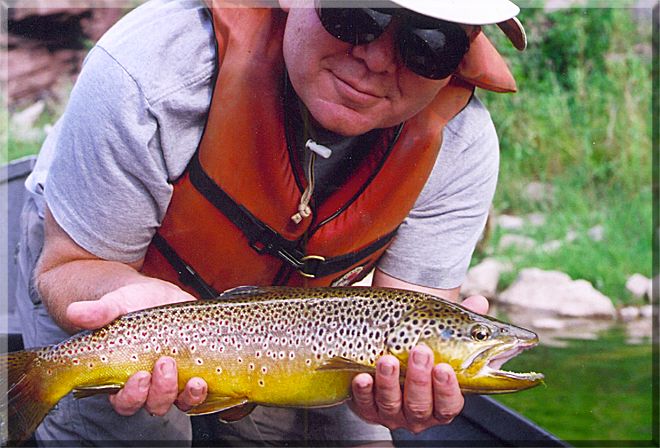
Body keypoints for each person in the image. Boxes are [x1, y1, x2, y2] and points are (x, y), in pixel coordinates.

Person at [15, 0, 526, 445]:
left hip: (301, 334)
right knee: (145, 432)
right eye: (356, 15)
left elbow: (409, 311)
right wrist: (137, 312)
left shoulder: (459, 146)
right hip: (108, 266)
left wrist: (397, 402)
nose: (375, 59)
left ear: (463, 55)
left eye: (428, 45)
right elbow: (69, 267)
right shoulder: (150, 71)